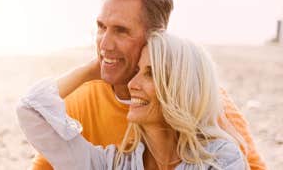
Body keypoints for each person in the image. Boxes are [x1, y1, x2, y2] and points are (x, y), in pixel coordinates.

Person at [29, 0, 265, 169]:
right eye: (101, 27)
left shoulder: (204, 100)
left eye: (121, 30)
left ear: (156, 38)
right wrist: (94, 68)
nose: (105, 44)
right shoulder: (80, 98)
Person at [17, 32, 248, 169]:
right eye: (136, 70)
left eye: (150, 73)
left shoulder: (221, 159)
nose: (132, 84)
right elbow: (30, 109)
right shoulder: (114, 164)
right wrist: (94, 69)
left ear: (180, 86)